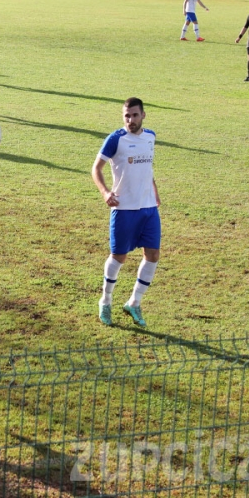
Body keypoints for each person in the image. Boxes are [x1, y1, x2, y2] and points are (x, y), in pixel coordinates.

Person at [91, 97, 161, 328]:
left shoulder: (150, 137)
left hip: (148, 208)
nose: (130, 120)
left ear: (143, 115)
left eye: (134, 115)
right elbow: (96, 168)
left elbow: (147, 167)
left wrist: (155, 191)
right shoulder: (116, 139)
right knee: (119, 257)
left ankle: (134, 302)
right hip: (124, 209)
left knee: (152, 255)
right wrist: (104, 192)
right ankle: (106, 301)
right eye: (126, 116)